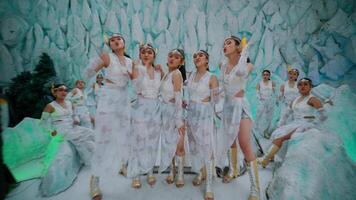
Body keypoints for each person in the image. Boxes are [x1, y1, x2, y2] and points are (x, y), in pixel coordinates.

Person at [84, 33, 133, 200]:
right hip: (108, 98)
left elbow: (139, 82)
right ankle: (95, 180)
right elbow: (88, 72)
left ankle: (123, 165)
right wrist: (96, 63)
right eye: (112, 40)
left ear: (124, 42)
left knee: (124, 135)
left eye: (119, 38)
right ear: (110, 45)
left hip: (123, 101)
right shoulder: (107, 57)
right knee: (103, 138)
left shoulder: (130, 62)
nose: (116, 40)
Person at [218, 36, 260, 200]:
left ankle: (256, 188)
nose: (225, 45)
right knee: (230, 140)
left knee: (244, 143)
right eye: (224, 43)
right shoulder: (222, 65)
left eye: (229, 43)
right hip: (228, 107)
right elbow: (224, 86)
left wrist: (245, 51)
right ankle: (234, 170)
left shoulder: (248, 64)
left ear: (238, 47)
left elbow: (241, 72)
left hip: (241, 107)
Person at [258, 78, 327, 168]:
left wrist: (314, 122)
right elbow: (286, 114)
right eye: (300, 84)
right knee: (276, 133)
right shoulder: (295, 100)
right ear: (297, 87)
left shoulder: (313, 99)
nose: (303, 86)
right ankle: (271, 157)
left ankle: (265, 159)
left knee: (282, 138)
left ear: (310, 87)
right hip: (295, 123)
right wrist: (281, 124)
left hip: (307, 124)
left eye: (306, 84)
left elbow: (324, 115)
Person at [40, 83, 95, 195]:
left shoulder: (70, 103)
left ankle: (90, 159)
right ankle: (92, 159)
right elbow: (42, 123)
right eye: (60, 90)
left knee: (90, 133)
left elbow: (74, 115)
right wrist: (51, 131)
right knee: (83, 136)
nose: (63, 92)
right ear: (54, 92)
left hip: (72, 127)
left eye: (65, 90)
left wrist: (76, 119)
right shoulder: (50, 106)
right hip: (62, 131)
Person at [127, 43, 163, 188]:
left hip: (155, 108)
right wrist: (139, 70)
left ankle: (149, 170)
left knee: (152, 141)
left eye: (149, 52)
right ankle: (135, 173)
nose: (146, 55)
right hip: (141, 107)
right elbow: (135, 88)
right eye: (143, 52)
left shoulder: (159, 72)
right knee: (138, 140)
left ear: (154, 55)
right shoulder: (136, 68)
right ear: (140, 55)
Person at [186, 50, 218, 200]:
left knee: (206, 146)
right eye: (195, 56)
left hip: (205, 116)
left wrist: (210, 100)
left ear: (207, 59)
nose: (197, 57)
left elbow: (217, 100)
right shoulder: (191, 75)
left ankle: (210, 184)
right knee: (195, 147)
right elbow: (187, 92)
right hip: (192, 114)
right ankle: (201, 172)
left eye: (200, 55)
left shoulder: (212, 77)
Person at [159, 48, 186, 188]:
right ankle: (172, 171)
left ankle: (180, 174)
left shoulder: (176, 74)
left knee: (178, 145)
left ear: (181, 62)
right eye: (170, 56)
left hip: (175, 113)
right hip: (165, 113)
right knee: (169, 143)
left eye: (176, 57)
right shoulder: (167, 75)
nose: (172, 58)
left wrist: (179, 119)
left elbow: (178, 97)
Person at [255, 70, 276, 138]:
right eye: (264, 74)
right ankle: (256, 129)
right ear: (262, 75)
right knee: (259, 114)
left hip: (270, 102)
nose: (265, 76)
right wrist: (259, 98)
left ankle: (265, 130)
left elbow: (274, 92)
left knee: (268, 116)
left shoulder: (272, 83)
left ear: (269, 76)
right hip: (262, 101)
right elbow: (257, 92)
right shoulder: (259, 83)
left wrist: (275, 100)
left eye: (267, 75)